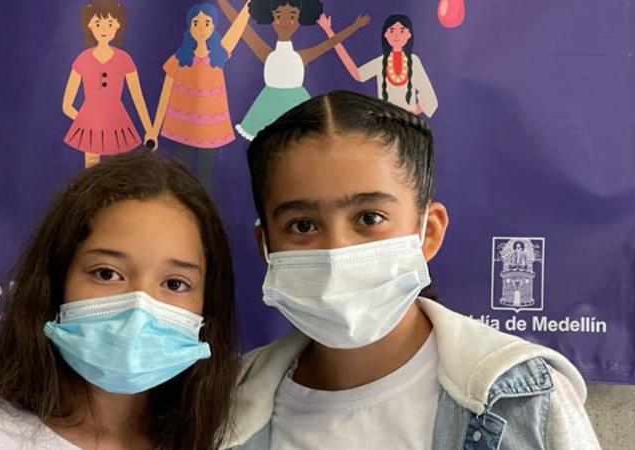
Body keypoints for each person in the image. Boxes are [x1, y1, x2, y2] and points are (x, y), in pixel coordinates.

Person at [223, 91, 600, 449]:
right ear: (266, 247)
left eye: (369, 218)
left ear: (428, 232)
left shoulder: (523, 400)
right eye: (302, 225)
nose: (337, 251)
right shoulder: (223, 406)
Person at [0, 152, 239, 450]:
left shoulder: (220, 441)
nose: (139, 307)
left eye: (175, 283)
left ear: (207, 305)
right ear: (57, 282)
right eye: (107, 274)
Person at [216, 0, 370, 140]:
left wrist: (355, 26)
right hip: (268, 103)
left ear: (299, 19)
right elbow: (243, 29)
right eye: (278, 16)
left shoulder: (301, 56)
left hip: (297, 103)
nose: (285, 22)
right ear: (271, 18)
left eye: (292, 16)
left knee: (298, 141)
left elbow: (332, 42)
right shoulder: (268, 53)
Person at [147, 2, 252, 186]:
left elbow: (236, 30)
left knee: (205, 175)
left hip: (209, 129)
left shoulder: (218, 55)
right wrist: (153, 131)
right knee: (183, 173)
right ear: (190, 26)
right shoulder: (179, 59)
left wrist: (249, 6)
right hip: (183, 126)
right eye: (196, 23)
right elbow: (165, 96)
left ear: (213, 26)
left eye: (207, 23)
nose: (201, 28)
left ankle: (202, 204)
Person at [62, 1, 154, 168]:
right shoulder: (83, 59)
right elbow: (67, 105)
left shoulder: (124, 59)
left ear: (118, 25)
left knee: (119, 171)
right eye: (98, 24)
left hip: (117, 122)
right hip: (90, 126)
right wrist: (85, 120)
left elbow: (138, 98)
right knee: (91, 172)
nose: (104, 29)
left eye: (110, 23)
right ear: (90, 25)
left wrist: (150, 129)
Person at [320, 14, 439, 117]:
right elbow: (357, 74)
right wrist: (329, 31)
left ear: (409, 35)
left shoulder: (413, 61)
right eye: (392, 31)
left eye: (402, 31)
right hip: (385, 125)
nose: (396, 35)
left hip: (406, 127)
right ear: (386, 35)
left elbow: (429, 98)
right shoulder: (381, 62)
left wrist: (409, 114)